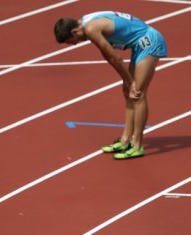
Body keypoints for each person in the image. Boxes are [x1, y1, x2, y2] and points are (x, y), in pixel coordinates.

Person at [54, 11, 167, 159]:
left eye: (72, 41)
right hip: (138, 44)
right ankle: (126, 140)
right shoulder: (85, 20)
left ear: (74, 31)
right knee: (128, 91)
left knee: (138, 93)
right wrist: (128, 82)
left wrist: (130, 81)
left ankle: (137, 145)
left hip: (149, 41)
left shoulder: (91, 29)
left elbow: (114, 58)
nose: (75, 43)